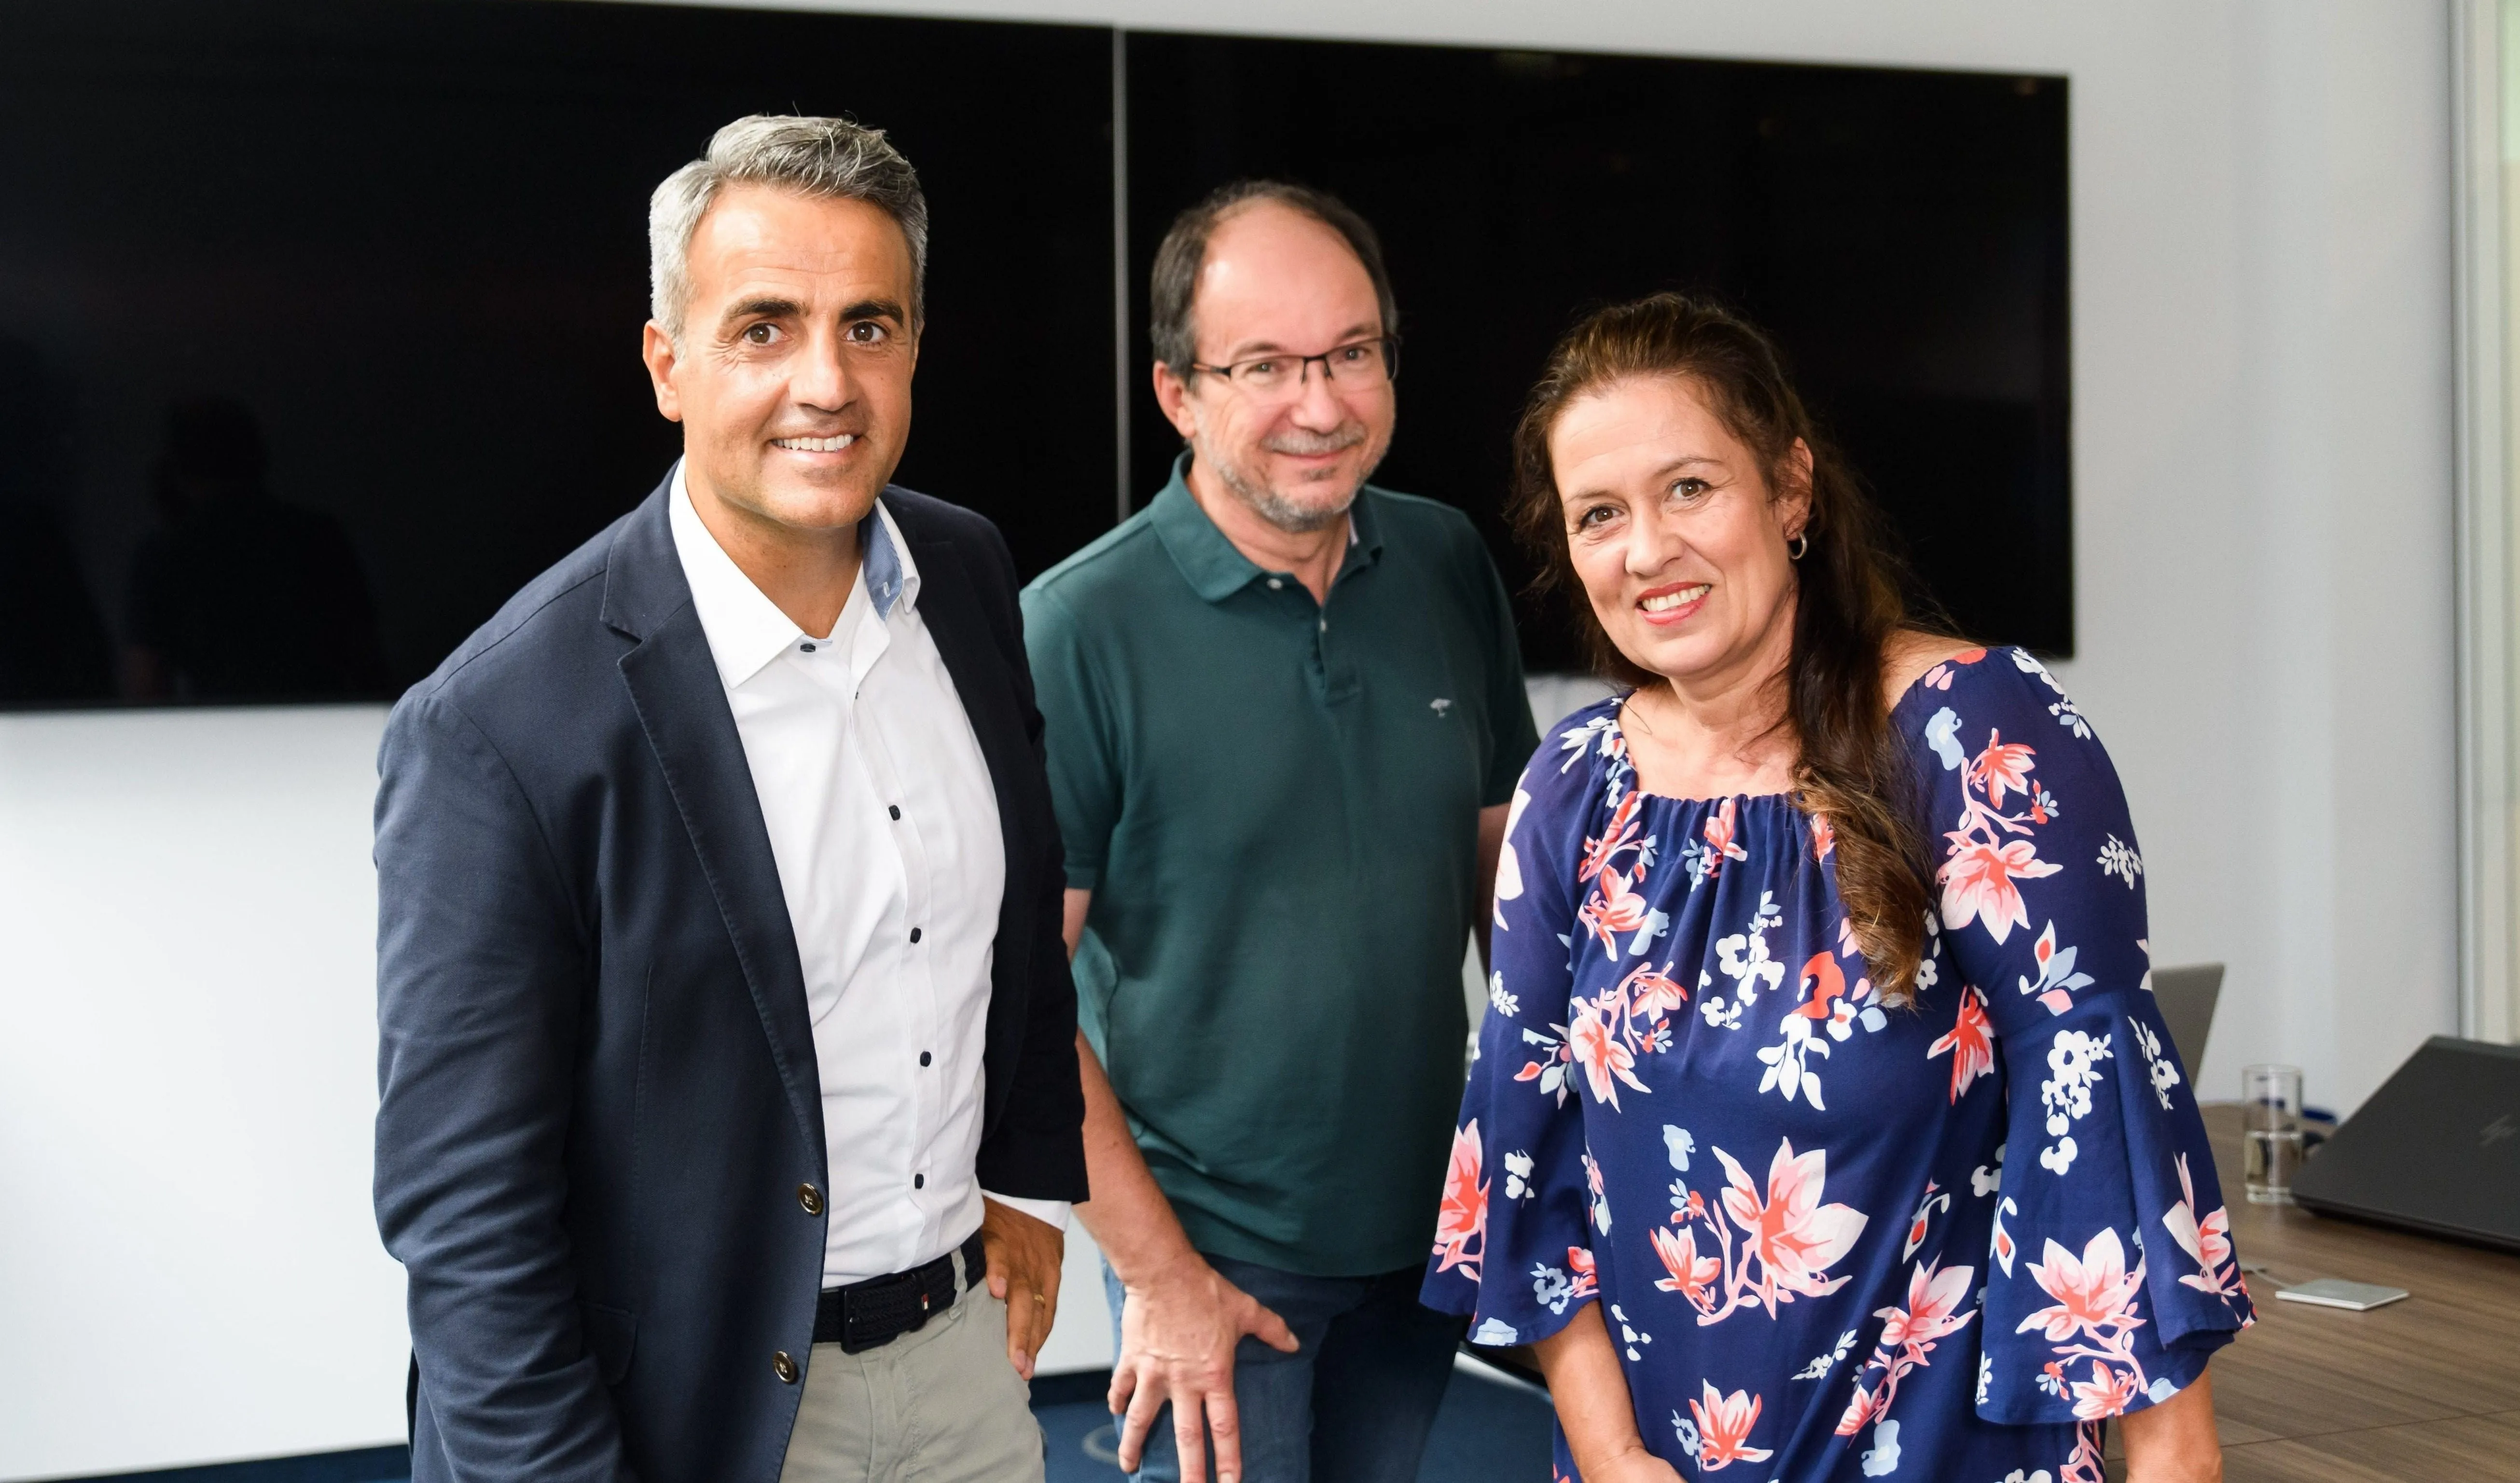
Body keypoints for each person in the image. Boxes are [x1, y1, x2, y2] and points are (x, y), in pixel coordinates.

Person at [1425, 294, 2251, 1483]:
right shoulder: (1574, 784)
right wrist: (1610, 1457)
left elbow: (2105, 1146)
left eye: (1689, 489)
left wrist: (2176, 1461)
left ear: (1791, 489)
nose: (1646, 548)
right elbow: (1525, 1155)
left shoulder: (1976, 733)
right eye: (1598, 513)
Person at [373, 115, 1085, 1483]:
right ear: (667, 365)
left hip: (961, 1366)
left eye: (868, 325)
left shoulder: (968, 571)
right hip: (685, 1412)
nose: (827, 379)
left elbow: (1004, 918)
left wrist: (1024, 1181)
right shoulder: (497, 727)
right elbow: (467, 1214)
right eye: (764, 327)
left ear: (915, 347)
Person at [1022, 180, 1542, 1483]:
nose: (1319, 405)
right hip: (1218, 1252)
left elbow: (1511, 891)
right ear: (1176, 394)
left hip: (1430, 1225)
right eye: (1263, 365)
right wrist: (1160, 1276)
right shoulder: (1077, 627)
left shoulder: (1441, 562)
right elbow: (1010, 1000)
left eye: (1350, 354)